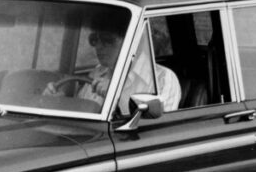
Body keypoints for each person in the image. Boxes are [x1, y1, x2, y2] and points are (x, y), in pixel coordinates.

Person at [46, 27, 181, 112]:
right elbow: (83, 111)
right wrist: (59, 103)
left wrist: (116, 95)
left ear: (132, 41)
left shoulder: (162, 78)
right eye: (94, 40)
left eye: (107, 39)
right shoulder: (97, 73)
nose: (98, 46)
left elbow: (158, 128)